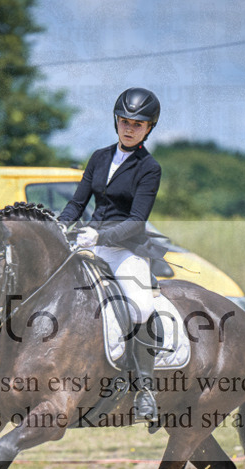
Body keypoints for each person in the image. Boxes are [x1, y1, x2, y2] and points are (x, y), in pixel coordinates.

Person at [58, 87, 166, 424]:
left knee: (141, 306)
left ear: (149, 128)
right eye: (124, 121)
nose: (129, 128)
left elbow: (136, 221)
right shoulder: (99, 157)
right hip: (89, 244)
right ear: (116, 121)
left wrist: (100, 235)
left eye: (138, 123)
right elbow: (77, 203)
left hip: (125, 249)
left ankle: (145, 390)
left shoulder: (149, 168)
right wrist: (60, 228)